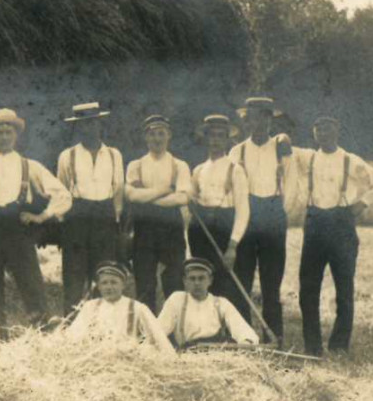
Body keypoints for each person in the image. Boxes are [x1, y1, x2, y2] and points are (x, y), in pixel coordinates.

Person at [287, 115, 373, 356]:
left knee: (344, 287)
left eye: (328, 129)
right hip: (314, 224)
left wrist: (362, 203)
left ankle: (339, 344)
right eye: (318, 129)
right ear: (314, 134)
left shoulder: (350, 160)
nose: (323, 134)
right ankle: (312, 345)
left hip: (342, 225)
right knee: (308, 287)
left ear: (337, 131)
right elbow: (283, 145)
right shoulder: (306, 157)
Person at [0, 109, 71, 332]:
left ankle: (40, 329)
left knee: (31, 283)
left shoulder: (31, 166)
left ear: (16, 135)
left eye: (8, 132)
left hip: (19, 230)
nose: (4, 137)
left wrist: (42, 216)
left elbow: (63, 195)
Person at [227, 96, 296, 343]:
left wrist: (280, 213)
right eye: (253, 117)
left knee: (271, 283)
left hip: (273, 214)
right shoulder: (237, 151)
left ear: (270, 119)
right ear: (246, 121)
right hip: (246, 215)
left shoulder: (281, 147)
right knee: (242, 281)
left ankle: (274, 337)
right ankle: (245, 338)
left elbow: (291, 183)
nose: (258, 122)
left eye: (264, 117)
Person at [55, 101, 125, 314]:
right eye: (84, 124)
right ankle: (72, 325)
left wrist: (116, 217)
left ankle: (102, 324)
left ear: (100, 124)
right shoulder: (68, 155)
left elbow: (118, 189)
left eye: (93, 123)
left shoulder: (114, 154)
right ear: (77, 128)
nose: (89, 128)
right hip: (77, 218)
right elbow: (62, 190)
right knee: (74, 277)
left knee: (103, 274)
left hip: (105, 217)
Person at [125, 113, 192, 313]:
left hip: (171, 226)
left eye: (161, 134)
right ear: (146, 137)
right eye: (152, 134)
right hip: (144, 226)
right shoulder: (135, 165)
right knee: (145, 281)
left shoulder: (179, 165)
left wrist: (148, 197)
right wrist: (165, 191)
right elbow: (132, 196)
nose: (157, 139)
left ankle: (173, 330)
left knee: (174, 281)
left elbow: (183, 198)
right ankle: (148, 332)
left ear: (169, 135)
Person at [186, 113, 248, 316]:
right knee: (202, 281)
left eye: (221, 136)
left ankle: (233, 333)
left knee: (227, 285)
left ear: (227, 140)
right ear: (205, 139)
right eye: (212, 136)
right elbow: (190, 203)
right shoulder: (198, 170)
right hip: (200, 230)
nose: (216, 140)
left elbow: (243, 211)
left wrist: (233, 245)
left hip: (224, 229)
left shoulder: (235, 170)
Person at [63, 261, 175, 354]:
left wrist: (171, 358)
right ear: (98, 286)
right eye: (104, 283)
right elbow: (74, 335)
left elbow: (158, 336)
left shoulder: (137, 307)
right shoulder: (90, 307)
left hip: (128, 360)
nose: (109, 287)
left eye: (114, 282)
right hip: (97, 358)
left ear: (123, 285)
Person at [157, 257, 258, 350]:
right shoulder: (177, 300)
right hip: (188, 355)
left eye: (201, 278)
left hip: (216, 354)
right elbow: (158, 330)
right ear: (185, 281)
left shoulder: (220, 303)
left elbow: (242, 329)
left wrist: (247, 342)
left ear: (210, 280)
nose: (197, 283)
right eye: (192, 278)